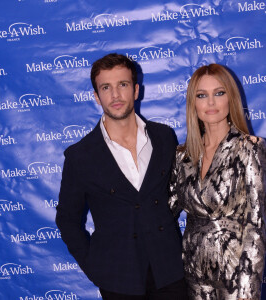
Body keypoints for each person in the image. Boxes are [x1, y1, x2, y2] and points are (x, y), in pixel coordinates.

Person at [56, 53, 188, 299]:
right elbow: (67, 219)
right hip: (118, 280)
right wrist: (95, 266)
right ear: (96, 96)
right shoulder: (80, 156)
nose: (115, 95)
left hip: (170, 271)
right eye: (106, 87)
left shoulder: (163, 137)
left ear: (136, 90)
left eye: (123, 85)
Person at [169, 63, 266, 300]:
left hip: (236, 278)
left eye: (219, 93)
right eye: (202, 95)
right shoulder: (183, 156)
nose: (211, 103)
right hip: (192, 275)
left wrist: (246, 287)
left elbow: (257, 223)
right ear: (194, 103)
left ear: (230, 98)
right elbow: (164, 210)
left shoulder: (249, 148)